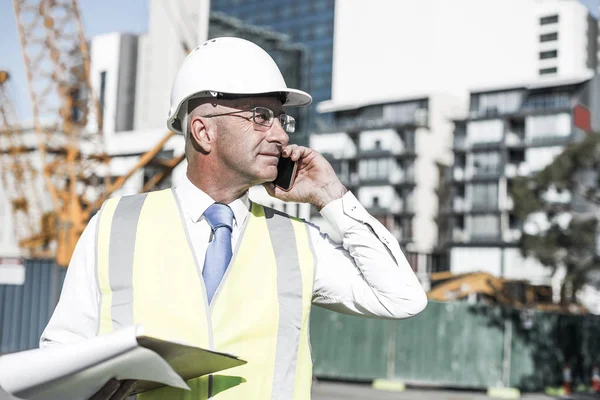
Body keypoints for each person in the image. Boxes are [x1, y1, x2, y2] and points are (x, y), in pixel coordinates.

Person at [40, 37, 428, 399]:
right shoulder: (114, 225)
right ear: (203, 131)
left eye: (281, 119)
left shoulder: (298, 242)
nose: (280, 135)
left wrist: (331, 197)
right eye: (260, 116)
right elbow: (61, 356)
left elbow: (401, 299)